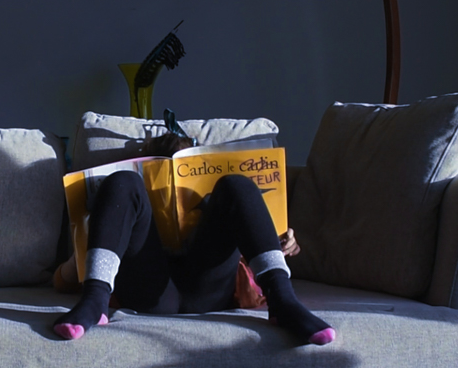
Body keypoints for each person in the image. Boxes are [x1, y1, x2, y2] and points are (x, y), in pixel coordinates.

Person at [53, 132, 335, 346]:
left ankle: (283, 301)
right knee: (123, 181)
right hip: (149, 289)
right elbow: (61, 280)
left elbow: (248, 272)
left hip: (208, 286)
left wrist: (281, 245)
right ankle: (94, 301)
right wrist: (85, 248)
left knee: (235, 184)